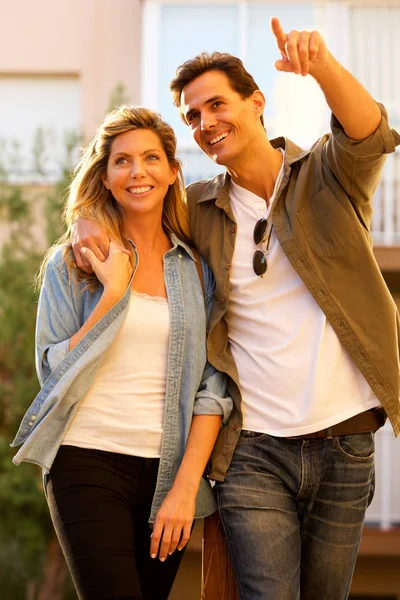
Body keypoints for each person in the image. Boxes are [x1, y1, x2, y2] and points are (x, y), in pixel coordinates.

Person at [69, 17, 400, 600]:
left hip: (345, 441)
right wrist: (86, 227)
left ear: (256, 102)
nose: (204, 123)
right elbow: (129, 193)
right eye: (192, 115)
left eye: (216, 104)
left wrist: (320, 65)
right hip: (252, 452)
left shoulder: (326, 177)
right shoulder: (198, 208)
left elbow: (370, 133)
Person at [11, 105, 232, 600]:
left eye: (152, 158)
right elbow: (51, 368)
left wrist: (184, 489)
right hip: (86, 459)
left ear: (174, 173)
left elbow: (213, 389)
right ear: (105, 177)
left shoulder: (197, 270)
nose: (138, 172)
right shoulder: (73, 263)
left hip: (169, 475)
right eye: (122, 161)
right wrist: (112, 292)